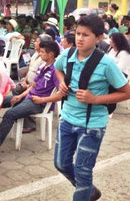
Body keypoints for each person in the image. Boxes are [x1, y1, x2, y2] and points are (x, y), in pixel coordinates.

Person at [54, 15, 130, 200]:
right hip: (67, 119)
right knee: (61, 164)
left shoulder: (106, 64)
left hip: (92, 125)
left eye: (86, 35)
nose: (80, 38)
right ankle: (88, 191)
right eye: (78, 33)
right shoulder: (68, 54)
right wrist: (62, 82)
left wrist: (95, 98)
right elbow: (58, 68)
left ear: (98, 38)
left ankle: (83, 190)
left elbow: (126, 91)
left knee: (82, 170)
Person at [0, 41, 61, 149]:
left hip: (38, 103)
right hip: (28, 98)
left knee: (9, 114)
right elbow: (32, 86)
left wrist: (42, 100)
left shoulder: (56, 71)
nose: (40, 54)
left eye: (43, 52)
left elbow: (61, 95)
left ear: (51, 54)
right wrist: (20, 96)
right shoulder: (42, 66)